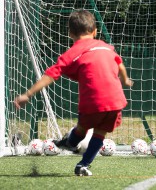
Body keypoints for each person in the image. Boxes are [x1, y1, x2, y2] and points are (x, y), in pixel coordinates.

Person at [14, 9, 134, 176]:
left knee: (81, 130)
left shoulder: (73, 52)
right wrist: (125, 79)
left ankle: (69, 143)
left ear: (70, 33)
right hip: (116, 101)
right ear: (95, 31)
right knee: (100, 132)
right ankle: (83, 165)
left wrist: (28, 94)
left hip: (92, 102)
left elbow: (51, 74)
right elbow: (119, 63)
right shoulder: (107, 47)